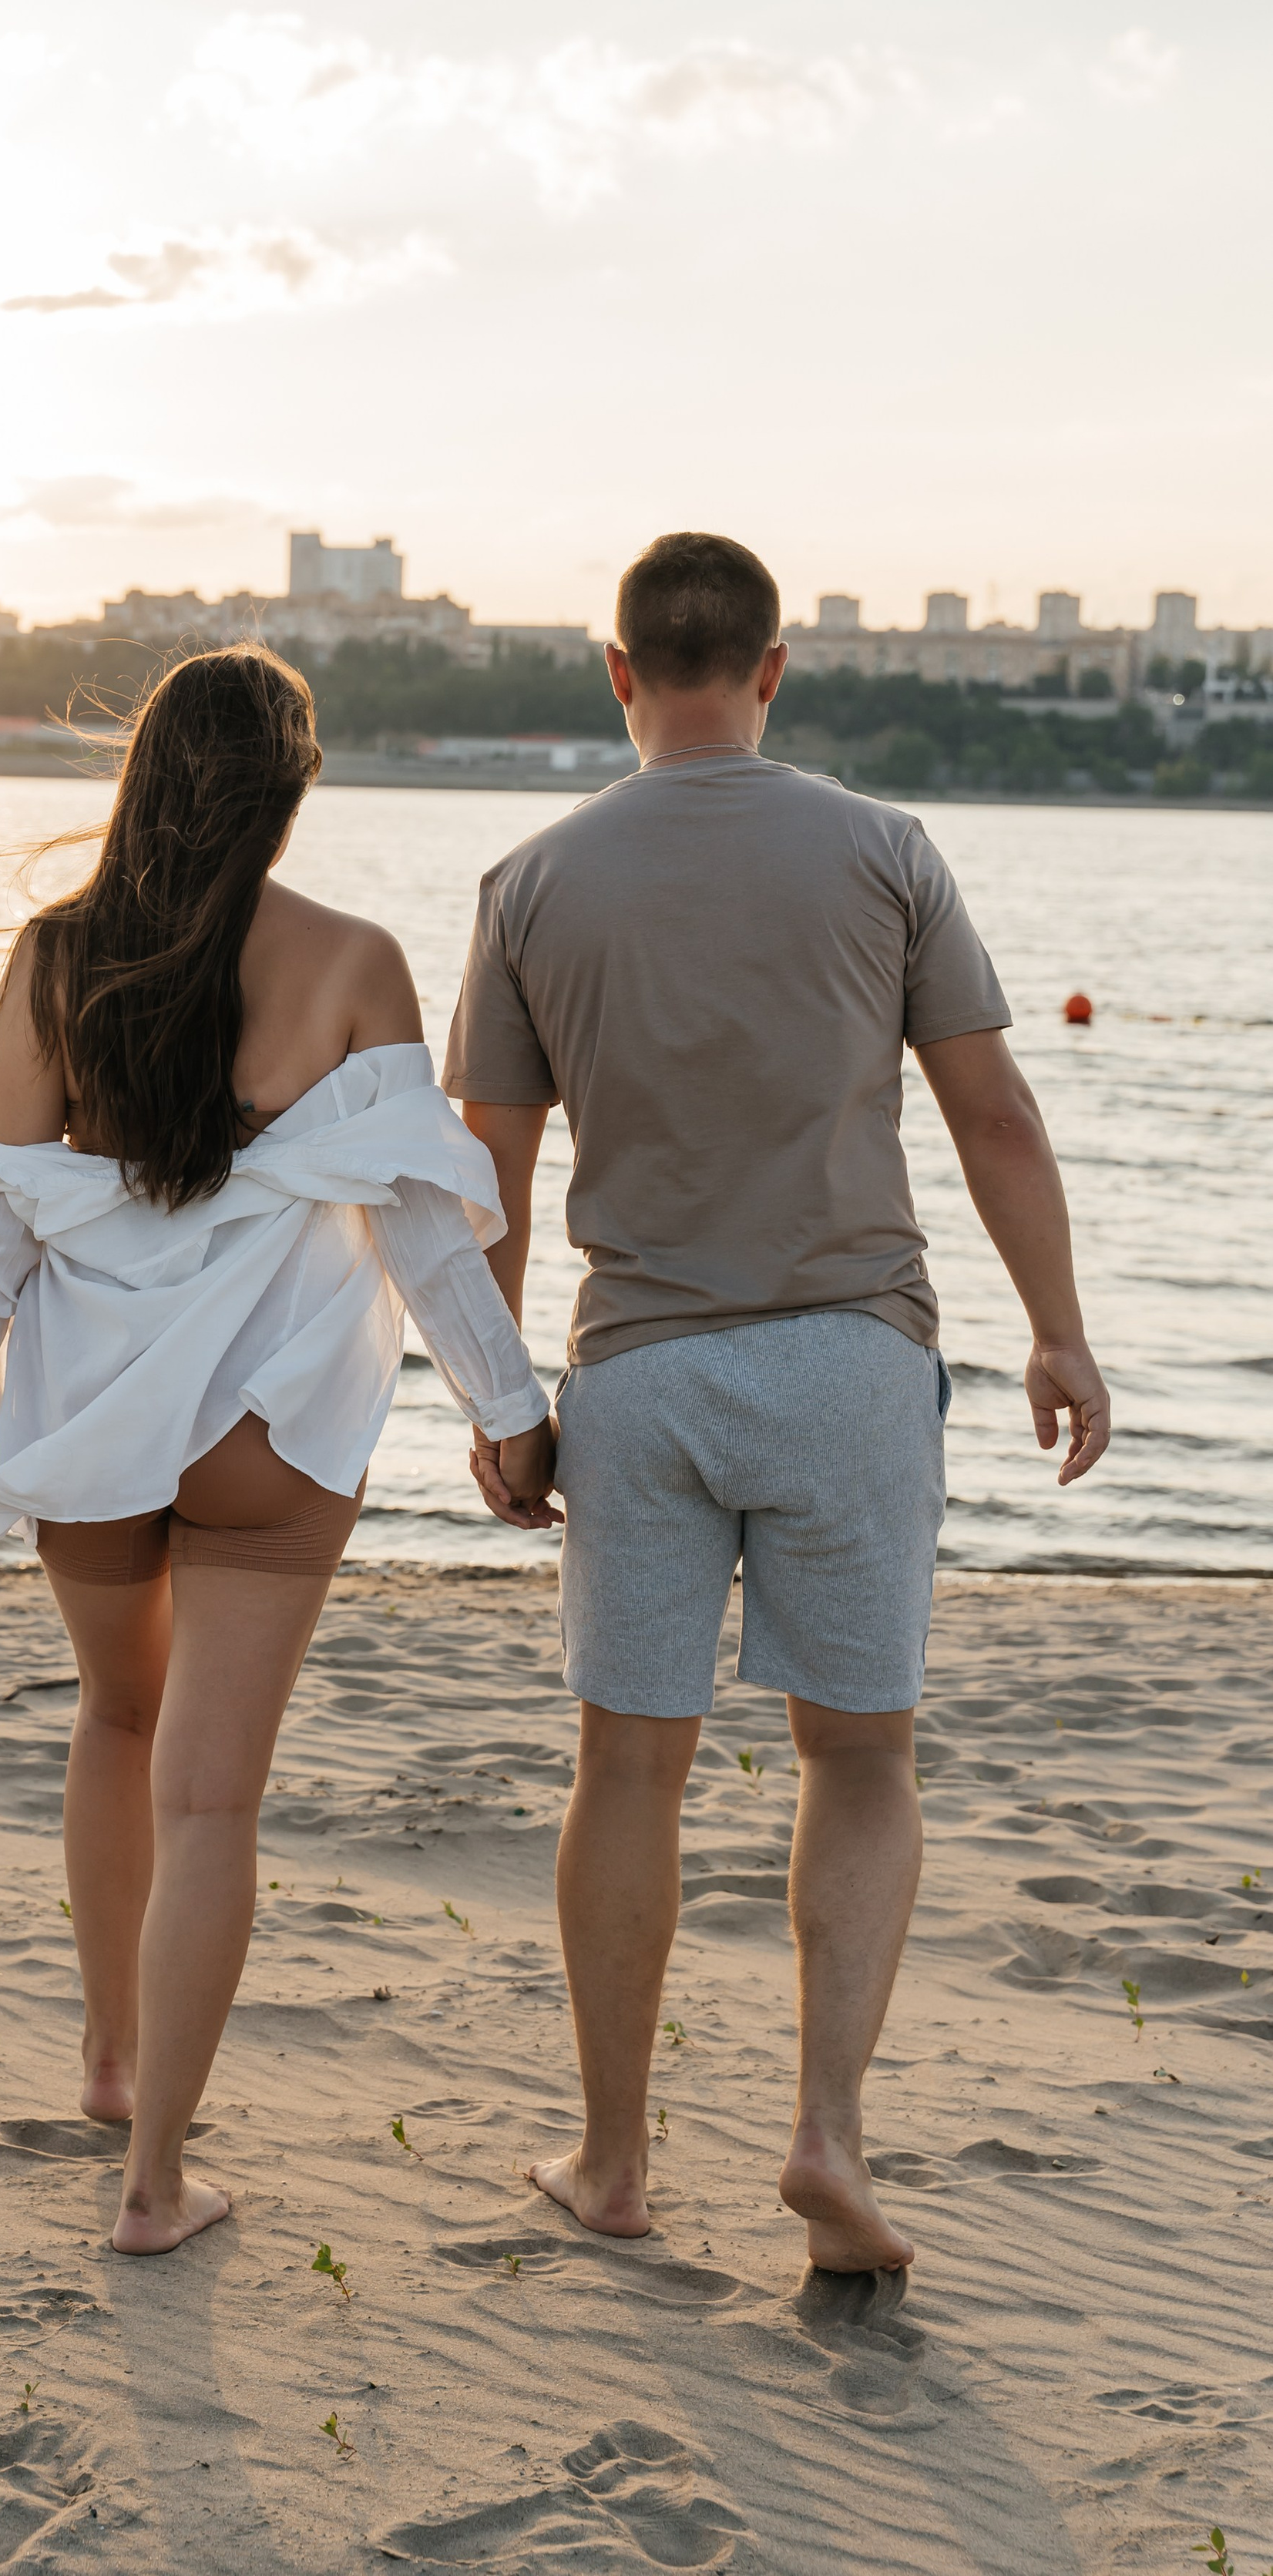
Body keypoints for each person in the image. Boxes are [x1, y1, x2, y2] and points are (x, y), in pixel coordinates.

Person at [444, 530, 1110, 2274]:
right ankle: (823, 2133)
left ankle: (610, 2165)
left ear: (612, 673)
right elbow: (995, 1121)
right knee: (862, 1756)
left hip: (643, 1372)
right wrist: (1057, 1330)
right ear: (770, 666)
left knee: (628, 1766)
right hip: (847, 1361)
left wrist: (499, 1394)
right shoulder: (882, 850)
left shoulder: (526, 882)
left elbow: (481, 1175)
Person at [0, 645, 553, 2255]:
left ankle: (112, 2062)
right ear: (289, 791)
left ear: (140, 778)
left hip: (89, 1419)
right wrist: (509, 1414)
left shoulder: (54, 961)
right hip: (269, 1423)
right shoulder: (351, 962)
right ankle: (151, 2186)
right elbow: (419, 1226)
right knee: (210, 1803)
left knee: (117, 1721)